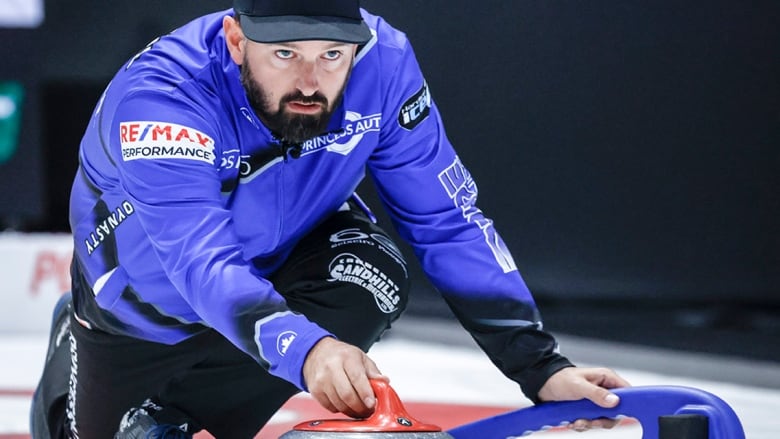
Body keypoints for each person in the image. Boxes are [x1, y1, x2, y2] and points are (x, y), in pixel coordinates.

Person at [30, 0, 630, 437]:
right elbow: (199, 261)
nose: (310, 83)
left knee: (374, 272)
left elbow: (447, 219)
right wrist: (309, 350)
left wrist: (541, 366)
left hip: (291, 255)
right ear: (236, 40)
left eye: (332, 54)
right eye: (285, 53)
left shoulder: (385, 64)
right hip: (146, 305)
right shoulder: (163, 96)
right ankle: (72, 351)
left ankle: (172, 416)